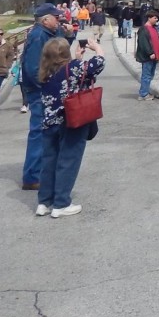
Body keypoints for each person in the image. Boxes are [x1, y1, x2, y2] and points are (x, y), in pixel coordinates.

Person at [35, 38, 104, 218]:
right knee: (68, 160)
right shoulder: (73, 68)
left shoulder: (44, 72)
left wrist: (77, 58)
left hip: (49, 122)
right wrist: (97, 48)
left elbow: (69, 75)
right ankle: (61, 203)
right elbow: (98, 63)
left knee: (49, 161)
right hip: (71, 121)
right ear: (64, 53)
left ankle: (44, 202)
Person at [18, 5, 64, 190]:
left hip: (42, 90)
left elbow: (60, 50)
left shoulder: (45, 33)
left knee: (44, 131)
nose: (59, 20)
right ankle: (32, 176)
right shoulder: (39, 37)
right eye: (56, 17)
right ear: (45, 20)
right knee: (39, 132)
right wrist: (46, 88)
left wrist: (66, 35)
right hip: (40, 92)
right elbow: (32, 68)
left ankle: (37, 172)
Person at [134, 10, 159, 101]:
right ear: (149, 18)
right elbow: (143, 43)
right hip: (148, 57)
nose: (156, 19)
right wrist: (150, 53)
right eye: (155, 18)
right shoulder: (144, 29)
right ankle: (143, 94)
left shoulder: (153, 28)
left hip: (154, 56)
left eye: (157, 18)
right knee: (146, 75)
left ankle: (145, 91)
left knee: (149, 75)